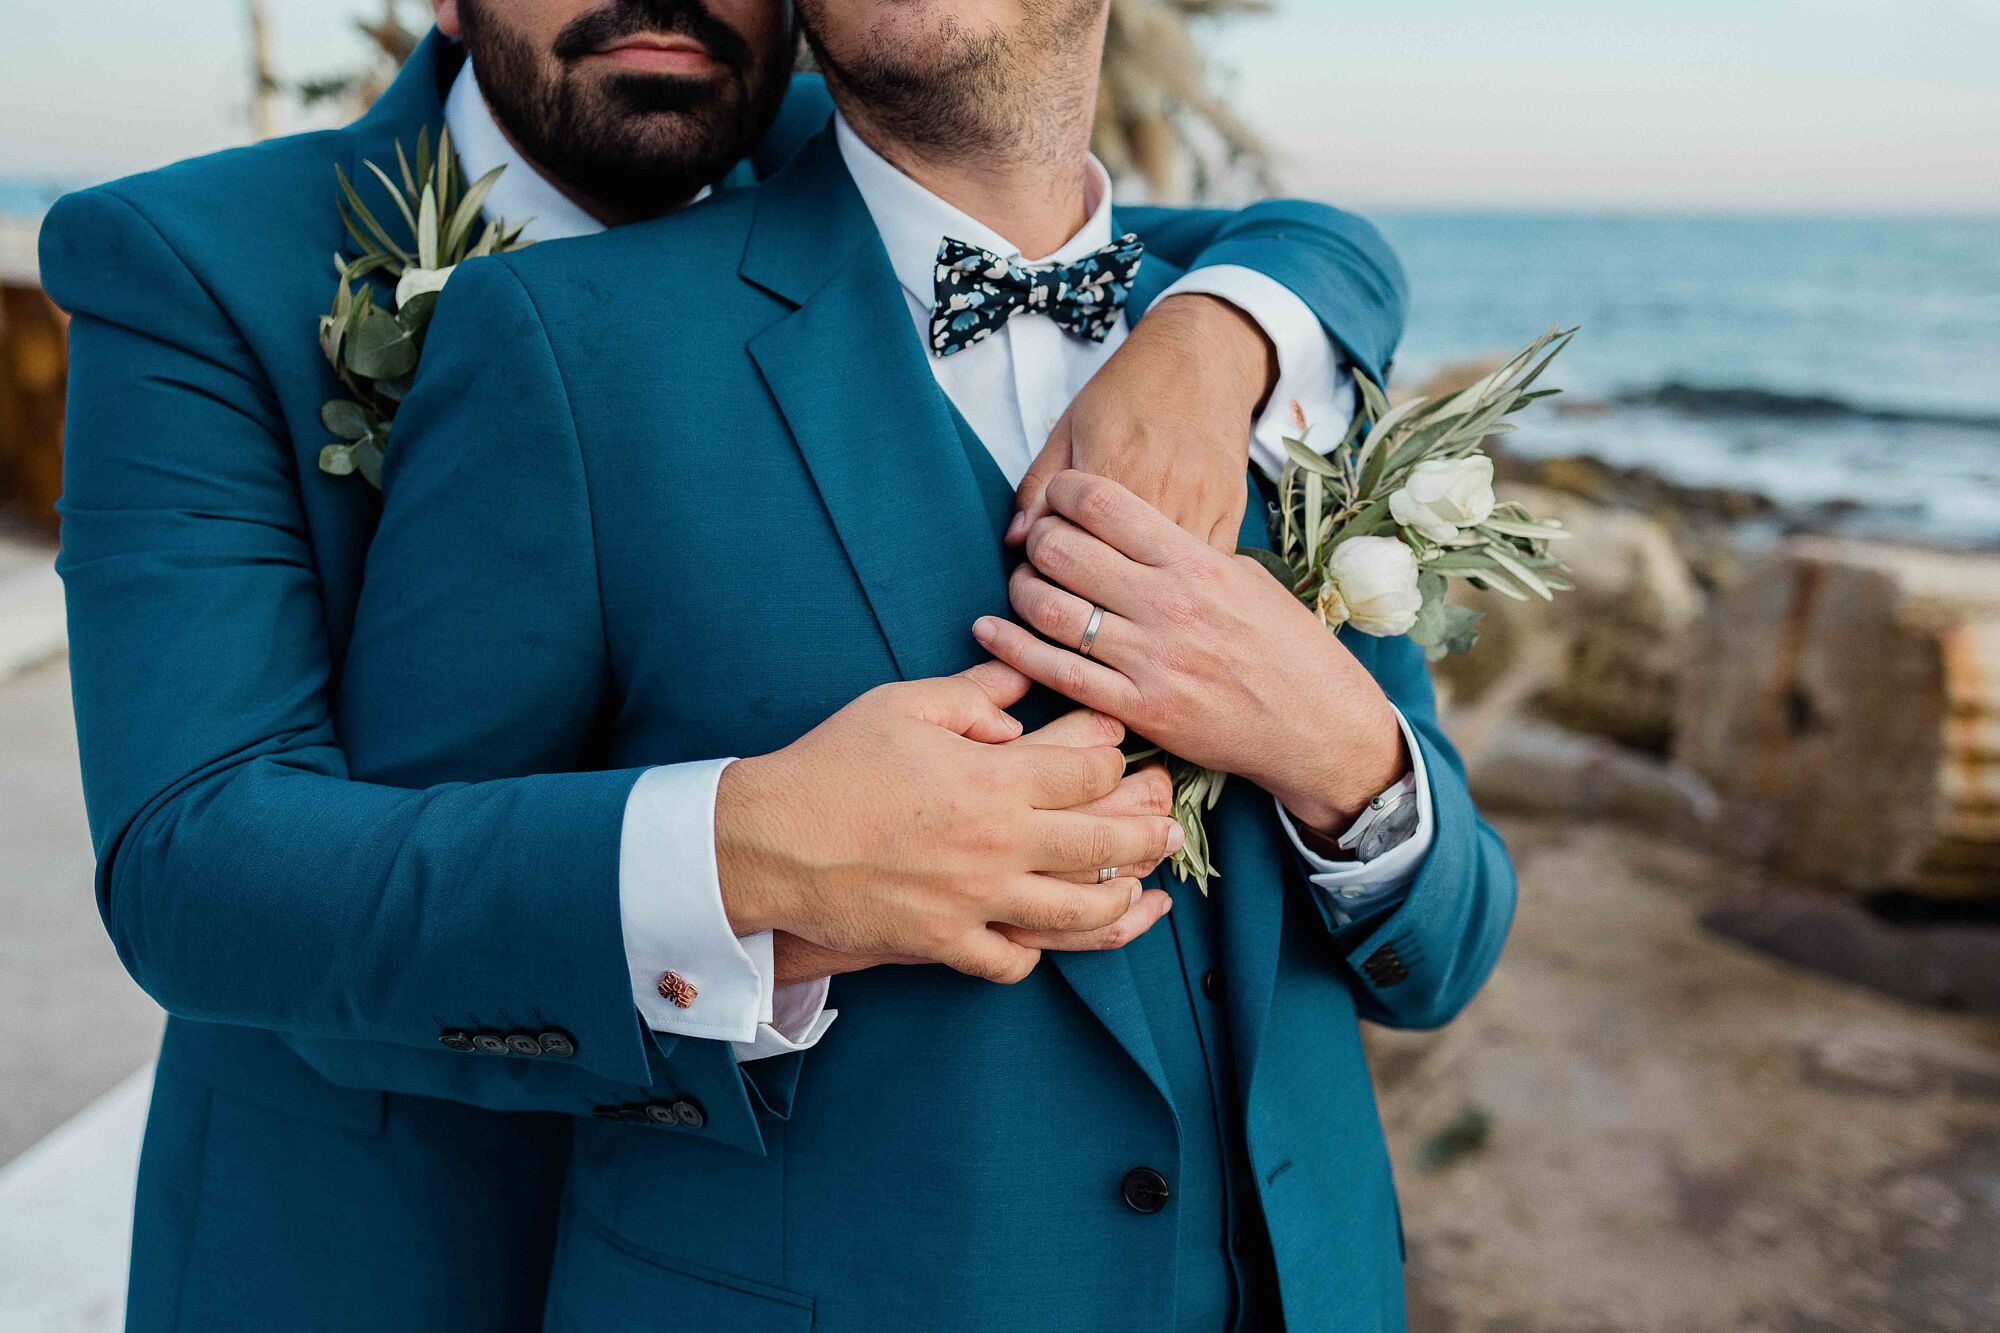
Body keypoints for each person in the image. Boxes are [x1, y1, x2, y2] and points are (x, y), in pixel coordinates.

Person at [39, 0, 1414, 1327]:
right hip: (386, 1237)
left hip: (768, 1231)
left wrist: (1212, 341)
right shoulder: (200, 260)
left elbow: (1293, 245)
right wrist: (748, 854)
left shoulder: (829, 145)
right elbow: (193, 863)